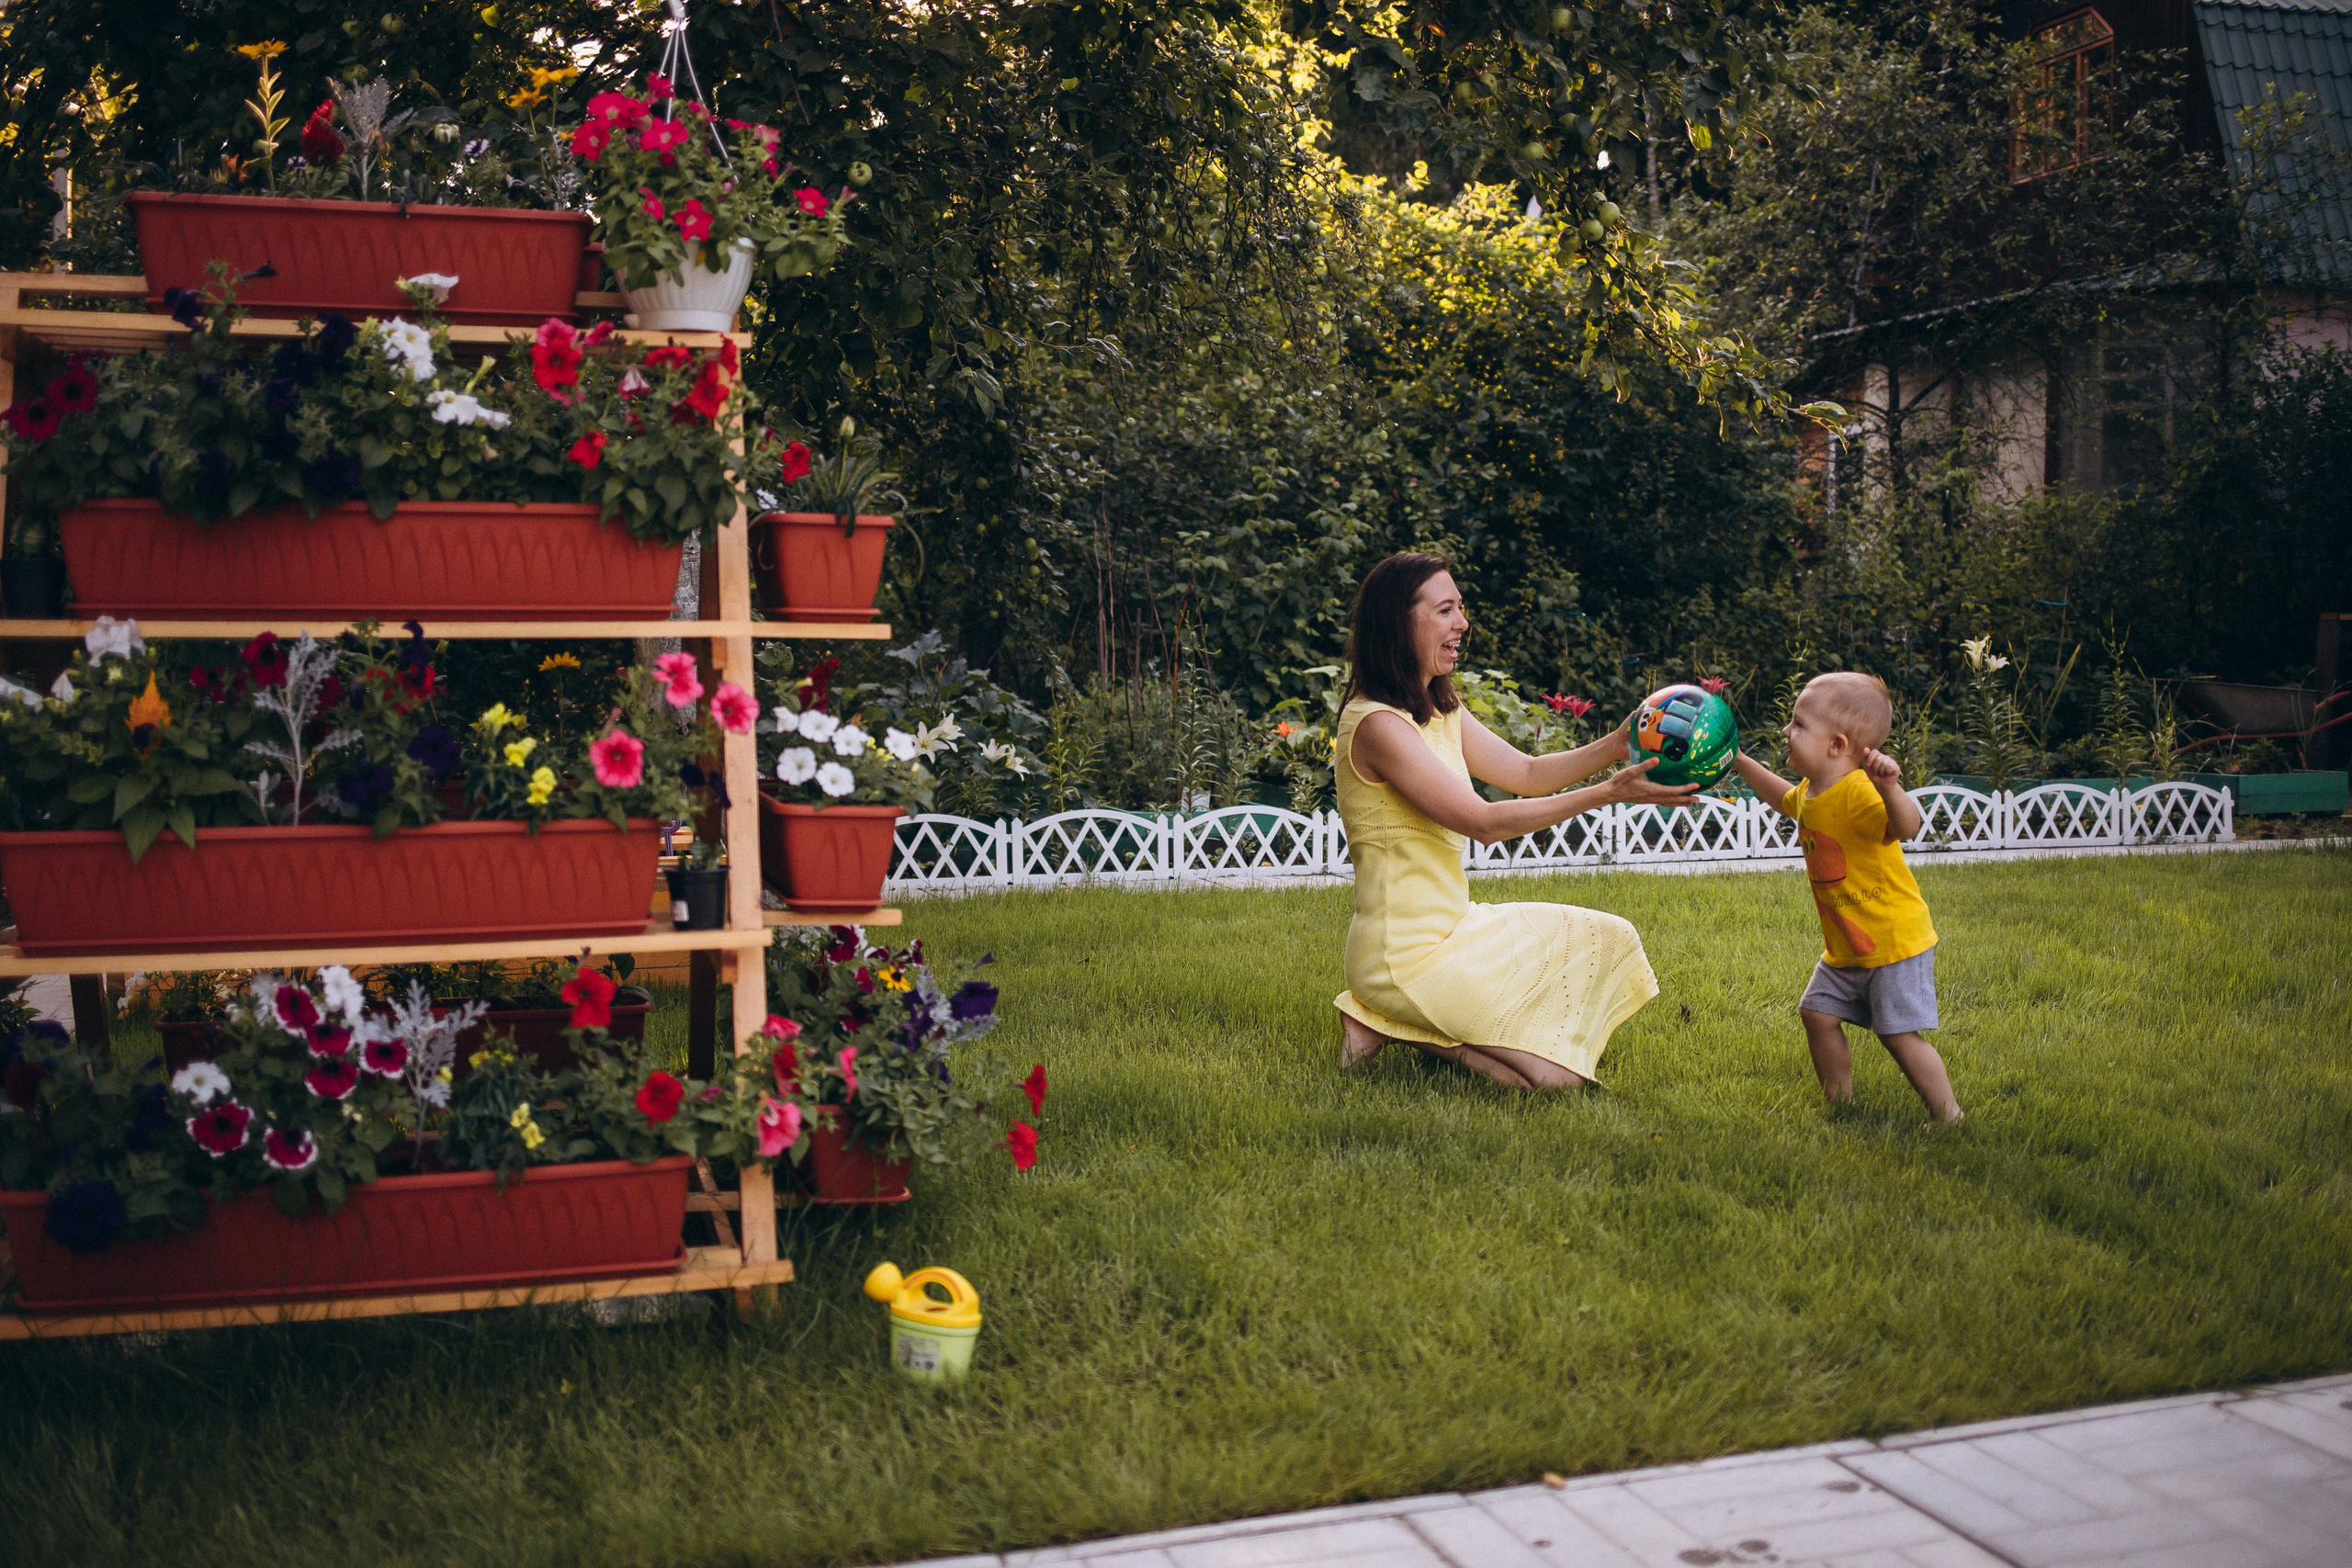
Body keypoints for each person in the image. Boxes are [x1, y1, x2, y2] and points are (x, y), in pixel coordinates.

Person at [1332, 553, 1700, 1090]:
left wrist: (1618, 743)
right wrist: (1608, 794)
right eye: (1445, 610)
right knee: (1552, 1086)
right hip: (1402, 955)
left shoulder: (1441, 710)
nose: (1462, 623)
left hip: (1458, 928)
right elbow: (1484, 822)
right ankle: (1385, 1016)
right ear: (1399, 621)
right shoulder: (1376, 727)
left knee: (1609, 935)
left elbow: (1526, 772)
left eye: (1461, 608)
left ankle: (1406, 1023)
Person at [1728, 671, 1963, 1123]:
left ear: (1836, 745)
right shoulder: (1815, 790)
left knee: (1898, 1035)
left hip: (1893, 943)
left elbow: (1906, 828)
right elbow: (1785, 800)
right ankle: (1840, 1106)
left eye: (1798, 724)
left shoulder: (1859, 792)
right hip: (1847, 946)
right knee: (1816, 1013)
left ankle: (1947, 1112)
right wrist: (1739, 762)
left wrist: (1891, 788)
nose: (1786, 732)